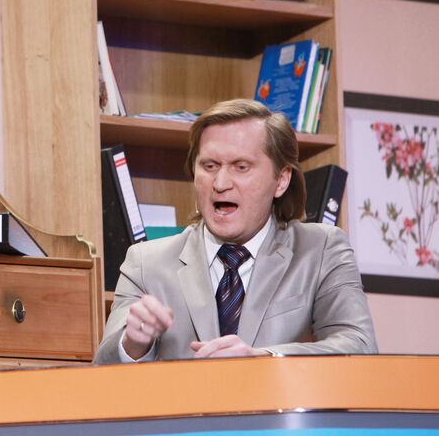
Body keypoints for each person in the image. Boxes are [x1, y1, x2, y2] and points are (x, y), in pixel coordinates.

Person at [94, 99, 377, 364]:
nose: (220, 183)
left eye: (241, 167)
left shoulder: (321, 249)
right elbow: (102, 373)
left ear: (281, 180)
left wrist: (263, 358)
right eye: (209, 166)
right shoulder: (146, 263)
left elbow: (360, 345)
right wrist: (133, 345)